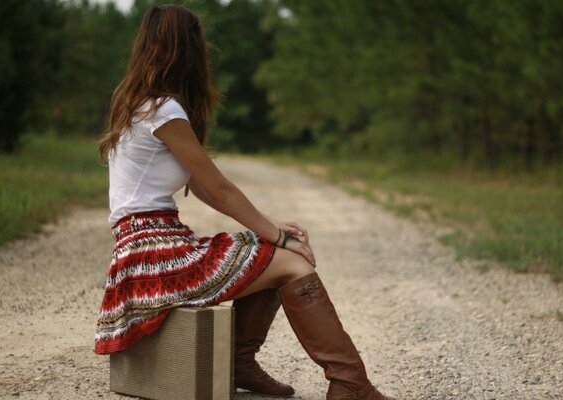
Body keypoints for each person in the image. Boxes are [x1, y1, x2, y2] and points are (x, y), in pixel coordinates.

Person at [94, 5, 395, 400]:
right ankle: (351, 385)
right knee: (291, 261)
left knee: (264, 252)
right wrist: (279, 236)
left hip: (141, 249)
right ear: (188, 50)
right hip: (154, 252)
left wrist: (271, 228)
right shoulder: (163, 110)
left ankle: (242, 363)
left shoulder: (138, 103)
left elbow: (200, 186)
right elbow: (219, 189)